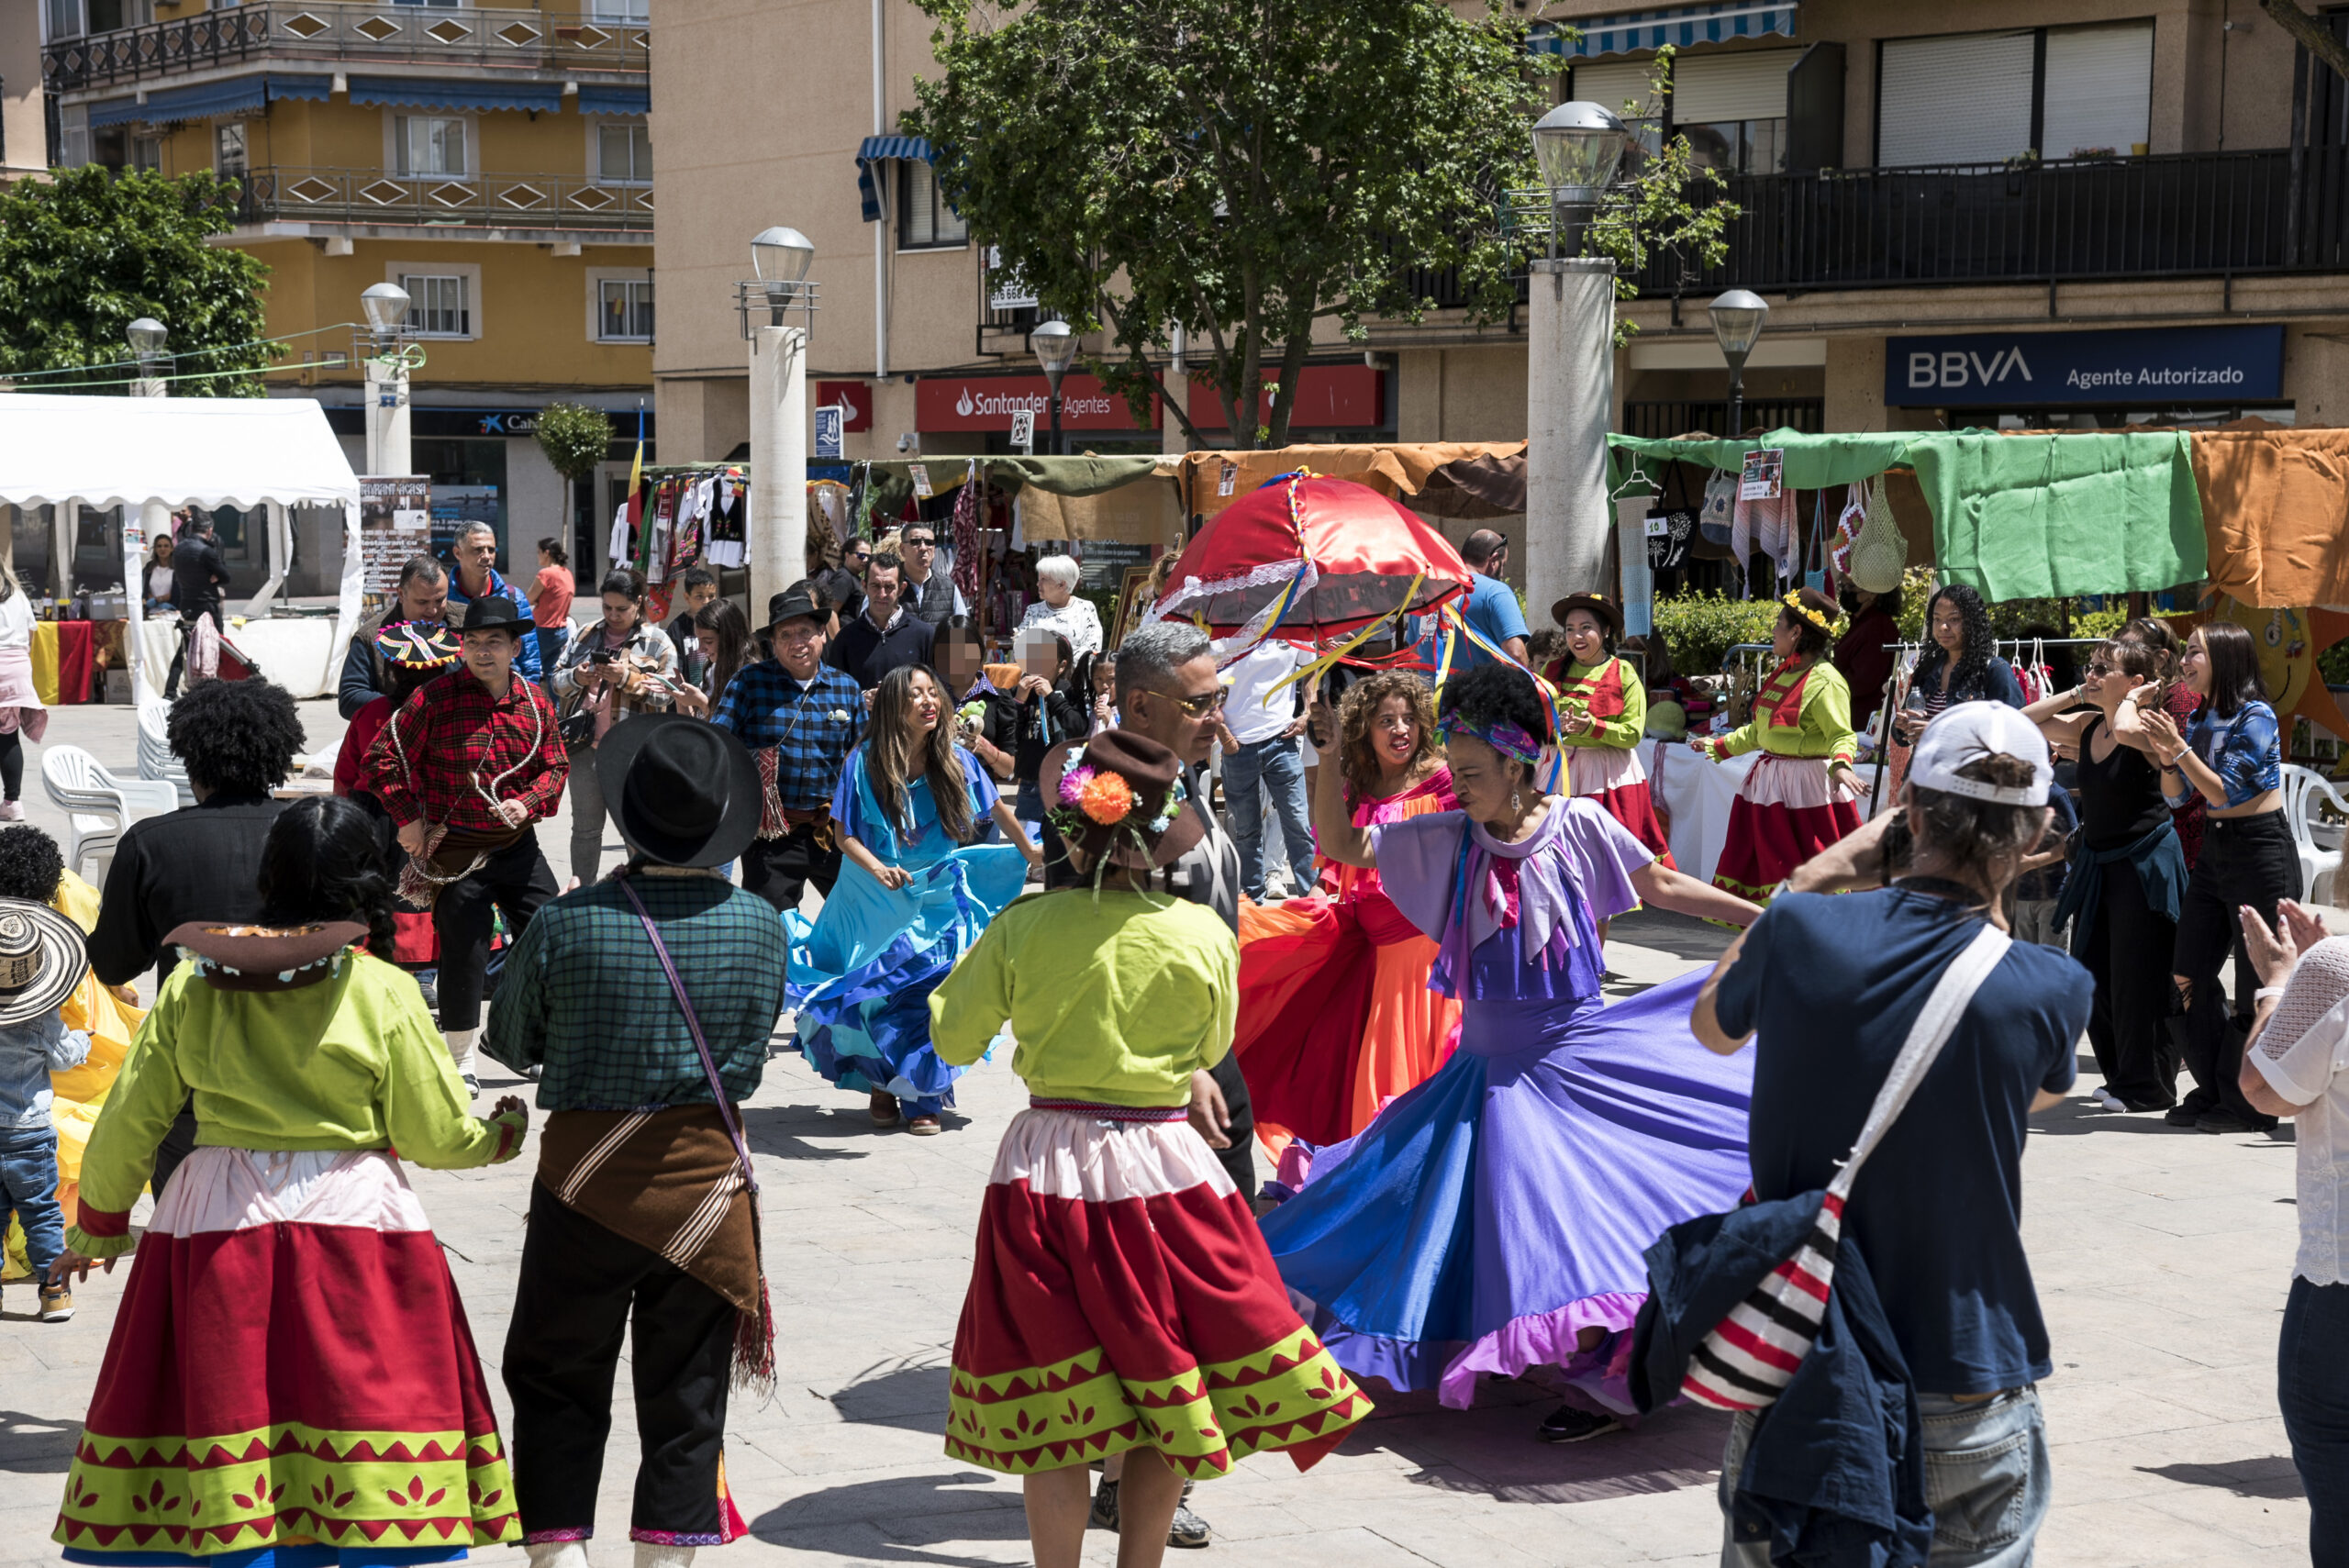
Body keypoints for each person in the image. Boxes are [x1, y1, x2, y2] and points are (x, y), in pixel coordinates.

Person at [1259, 662, 1764, 1442]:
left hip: (1580, 1059)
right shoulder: (1447, 838)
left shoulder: (1581, 825)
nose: (1455, 784)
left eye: (1469, 770)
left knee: (1575, 1217)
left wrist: (1757, 918)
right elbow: (1342, 840)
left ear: (1516, 762)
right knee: (1413, 1214)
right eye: (1451, 767)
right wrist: (1327, 748)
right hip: (1485, 1072)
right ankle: (1586, 1364)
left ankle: (1604, 1380)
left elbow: (1660, 884)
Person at [930, 729, 1374, 1568]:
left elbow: (953, 1039)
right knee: (1165, 1382)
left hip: (1046, 1168)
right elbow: (1212, 1043)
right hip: (1168, 1168)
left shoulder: (1024, 926)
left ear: (1072, 831)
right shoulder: (1203, 933)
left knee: (1059, 1405)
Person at [50, 795, 529, 1564]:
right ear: (365, 882)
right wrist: (500, 1135)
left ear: (272, 877)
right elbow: (434, 1136)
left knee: (234, 1410)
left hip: (214, 1216)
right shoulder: (385, 991)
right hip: (357, 1220)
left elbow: (129, 1121)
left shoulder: (191, 987)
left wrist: (99, 1225)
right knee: (360, 1409)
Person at [1691, 701, 2090, 1568]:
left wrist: (1822, 867)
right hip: (1966, 1372)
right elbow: (2035, 1097)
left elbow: (1711, 1027)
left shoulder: (1799, 930)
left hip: (1805, 1363)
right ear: (2034, 837)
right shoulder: (2051, 987)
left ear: (1906, 811)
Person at [484, 716, 786, 1564]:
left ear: (629, 816)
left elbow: (510, 1043)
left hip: (584, 1181)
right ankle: (667, 1555)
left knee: (555, 1373)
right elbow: (754, 1052)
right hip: (704, 1190)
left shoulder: (565, 922)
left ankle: (555, 1552)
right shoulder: (763, 925)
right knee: (688, 1391)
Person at [790, 663, 1037, 1134]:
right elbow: (844, 836)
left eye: (932, 693)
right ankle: (883, 1084)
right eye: (915, 695)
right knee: (877, 996)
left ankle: (924, 1095)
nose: (928, 701)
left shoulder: (955, 758)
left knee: (931, 994)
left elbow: (996, 807)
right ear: (893, 707)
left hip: (938, 898)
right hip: (875, 898)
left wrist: (1030, 851)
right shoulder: (863, 762)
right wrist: (879, 867)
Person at [1234, 670, 1461, 1152]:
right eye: (1386, 720)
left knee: (1418, 1096)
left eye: (1409, 719)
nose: (1401, 730)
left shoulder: (1442, 779)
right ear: (1364, 729)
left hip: (1429, 967)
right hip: (1376, 964)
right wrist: (1328, 753)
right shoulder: (1358, 786)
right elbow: (1334, 857)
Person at [90, 678, 303, 1192]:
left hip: (195, 1074)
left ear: (190, 757)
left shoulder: (150, 842)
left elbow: (115, 965)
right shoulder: (320, 832)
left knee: (191, 1236)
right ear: (280, 753)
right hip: (312, 1067)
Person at [364, 596, 570, 1095]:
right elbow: (380, 759)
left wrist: (530, 802)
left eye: (494, 642)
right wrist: (408, 820)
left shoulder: (535, 702)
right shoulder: (435, 698)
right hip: (456, 854)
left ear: (515, 648)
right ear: (461, 647)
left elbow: (556, 766)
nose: (482, 652)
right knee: (466, 954)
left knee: (555, 942)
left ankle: (521, 1043)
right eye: (473, 642)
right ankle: (460, 1060)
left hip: (518, 848)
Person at [2138, 619, 2295, 1133]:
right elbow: (2181, 797)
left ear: (2224, 658)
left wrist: (2178, 750)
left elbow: (2225, 791)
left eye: (2193, 654)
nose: (2184, 662)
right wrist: (2168, 756)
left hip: (2260, 851)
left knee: (2255, 982)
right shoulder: (2202, 717)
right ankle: (2214, 1086)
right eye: (2184, 652)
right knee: (2187, 971)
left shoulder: (2257, 715)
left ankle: (2250, 1104)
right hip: (2216, 851)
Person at [2024, 637, 2186, 1114]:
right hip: (2101, 864)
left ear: (2137, 683)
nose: (2092, 674)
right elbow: (2019, 720)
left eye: (2103, 668)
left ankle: (2148, 1084)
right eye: (2090, 666)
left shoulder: (2149, 727)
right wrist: (2079, 693)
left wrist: (2134, 700)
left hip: (2144, 864)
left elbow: (2127, 728)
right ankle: (2120, 1076)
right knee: (2092, 972)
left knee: (2137, 978)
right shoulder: (2090, 725)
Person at [2233, 898, 2349, 1563]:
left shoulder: (2336, 966)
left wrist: (2280, 984)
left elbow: (2263, 1086)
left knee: (2333, 1450)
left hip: (2341, 1284)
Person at [1692, 588, 1862, 903]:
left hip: (1804, 790)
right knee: (1768, 868)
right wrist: (1718, 745)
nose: (1773, 630)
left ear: (1796, 632)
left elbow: (1842, 734)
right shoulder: (1783, 673)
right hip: (1770, 788)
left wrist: (1840, 765)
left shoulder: (1825, 681)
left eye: (1778, 624)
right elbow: (1761, 732)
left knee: (1803, 872)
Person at [712, 587, 865, 913]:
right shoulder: (747, 683)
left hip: (834, 834)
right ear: (772, 642)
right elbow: (718, 745)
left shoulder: (846, 688)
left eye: (805, 632)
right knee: (769, 932)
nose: (797, 643)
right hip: (770, 840)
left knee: (858, 922)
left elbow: (864, 760)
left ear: (822, 633)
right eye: (786, 635)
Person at [334, 620, 466, 992]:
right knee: (426, 890)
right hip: (433, 816)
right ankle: (423, 974)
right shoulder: (454, 714)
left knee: (380, 890)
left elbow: (346, 770)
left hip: (372, 817)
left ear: (392, 671)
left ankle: (376, 965)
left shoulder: (371, 711)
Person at [551, 569, 681, 885]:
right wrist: (577, 678)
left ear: (638, 603)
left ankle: (645, 896)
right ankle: (582, 895)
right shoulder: (585, 634)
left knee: (636, 829)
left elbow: (667, 696)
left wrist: (626, 678)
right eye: (607, 607)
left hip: (632, 753)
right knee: (585, 829)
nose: (612, 615)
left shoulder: (657, 642)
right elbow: (555, 680)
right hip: (584, 749)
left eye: (621, 609)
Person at [1544, 593, 1675, 896]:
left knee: (1600, 873)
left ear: (1604, 632)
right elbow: (1531, 720)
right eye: (1570, 628)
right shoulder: (1551, 671)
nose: (1576, 636)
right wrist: (1551, 728)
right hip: (1556, 774)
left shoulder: (1624, 673)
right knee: (1554, 867)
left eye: (1586, 627)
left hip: (1606, 779)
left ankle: (1595, 942)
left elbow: (1632, 733)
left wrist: (1595, 727)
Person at [0, 901, 90, 1322]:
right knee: (39, 1211)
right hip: (28, 1133)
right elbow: (65, 1057)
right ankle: (53, 1291)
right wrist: (83, 1039)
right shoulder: (39, 1015)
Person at [1218, 633, 1318, 902]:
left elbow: (1311, 669)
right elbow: (1203, 686)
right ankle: (1253, 900)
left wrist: (1308, 711)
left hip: (1282, 739)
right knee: (1247, 829)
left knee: (1297, 823)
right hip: (1237, 745)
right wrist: (1223, 733)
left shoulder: (1293, 622)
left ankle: (1312, 897)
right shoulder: (1225, 626)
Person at [2118, 616, 2206, 869]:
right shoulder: (2150, 699)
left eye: (2129, 652)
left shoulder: (2181, 696)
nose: (2119, 660)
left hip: (2185, 835)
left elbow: (2123, 731)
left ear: (2160, 658)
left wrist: (2130, 699)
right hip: (2156, 833)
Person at [340, 553, 452, 718]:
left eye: (439, 600)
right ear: (401, 594)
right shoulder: (369, 637)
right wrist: (408, 705)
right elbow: (350, 698)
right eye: (422, 602)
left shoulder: (464, 621)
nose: (433, 611)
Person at [444, 518, 546, 684]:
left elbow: (530, 661)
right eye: (478, 550)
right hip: (455, 699)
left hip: (506, 699)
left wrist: (522, 700)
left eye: (491, 549)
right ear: (458, 553)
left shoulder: (514, 597)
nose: (486, 556)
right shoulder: (443, 598)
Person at [829, 551, 935, 689]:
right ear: (864, 586)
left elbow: (935, 690)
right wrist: (861, 700)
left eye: (889, 587)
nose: (882, 594)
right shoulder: (845, 638)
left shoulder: (924, 635)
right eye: (875, 586)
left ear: (901, 589)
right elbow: (835, 690)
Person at [161, 515, 233, 698]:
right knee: (216, 645)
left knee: (184, 647)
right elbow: (225, 576)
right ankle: (217, 687)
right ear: (209, 531)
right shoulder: (206, 551)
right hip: (207, 605)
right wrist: (214, 576)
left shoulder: (179, 549)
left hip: (187, 604)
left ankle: (170, 691)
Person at [0, 566, 46, 820]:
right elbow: (32, 631)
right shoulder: (17, 593)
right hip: (17, 667)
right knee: (7, 735)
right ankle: (12, 803)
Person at [1833, 578, 1902, 736]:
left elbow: (1862, 681)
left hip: (1863, 725)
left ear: (1872, 593)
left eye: (1851, 587)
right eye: (1842, 586)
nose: (1845, 591)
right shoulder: (1862, 623)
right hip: (1852, 718)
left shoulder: (1877, 627)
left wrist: (1829, 686)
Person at [1454, 528, 1529, 667]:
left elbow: (1416, 655)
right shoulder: (1495, 592)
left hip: (1429, 688)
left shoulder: (1429, 593)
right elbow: (1516, 654)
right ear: (1494, 560)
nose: (1502, 574)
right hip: (1479, 688)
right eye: (1503, 565)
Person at [673, 595, 752, 721]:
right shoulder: (711, 669)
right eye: (698, 640)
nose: (700, 649)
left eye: (708, 642)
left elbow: (730, 729)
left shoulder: (751, 676)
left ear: (729, 638)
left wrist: (702, 703)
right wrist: (680, 695)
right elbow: (696, 726)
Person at [1015, 552, 1103, 660]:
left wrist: (1062, 667)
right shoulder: (1033, 610)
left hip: (1075, 674)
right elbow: (1019, 643)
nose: (1038, 584)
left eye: (1044, 579)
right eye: (1039, 579)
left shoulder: (1085, 608)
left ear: (1062, 585)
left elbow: (1093, 646)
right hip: (1038, 673)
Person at [897, 522, 968, 628]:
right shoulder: (888, 584)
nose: (923, 548)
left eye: (929, 542)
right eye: (916, 542)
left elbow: (962, 630)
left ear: (934, 549)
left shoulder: (948, 587)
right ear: (902, 550)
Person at [530, 536, 576, 673]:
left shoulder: (546, 573)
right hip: (561, 630)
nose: (537, 556)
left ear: (547, 553)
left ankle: (528, 694)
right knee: (551, 671)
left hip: (543, 629)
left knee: (529, 667)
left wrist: (538, 599)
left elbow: (528, 599)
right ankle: (553, 695)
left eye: (538, 552)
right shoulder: (567, 573)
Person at [663, 564, 719, 664]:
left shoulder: (721, 622)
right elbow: (674, 665)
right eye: (699, 597)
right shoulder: (677, 628)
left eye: (711, 596)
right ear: (687, 597)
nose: (706, 601)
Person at [816, 537, 870, 626]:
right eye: (861, 556)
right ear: (847, 555)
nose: (866, 560)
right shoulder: (844, 577)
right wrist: (838, 638)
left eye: (869, 557)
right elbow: (830, 612)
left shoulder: (854, 577)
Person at [141, 530, 175, 611]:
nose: (162, 549)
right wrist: (153, 600)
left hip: (171, 612)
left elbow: (177, 592)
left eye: (166, 546)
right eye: (159, 546)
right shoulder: (149, 568)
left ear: (171, 549)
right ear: (155, 549)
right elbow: (144, 589)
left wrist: (158, 600)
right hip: (151, 613)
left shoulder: (177, 569)